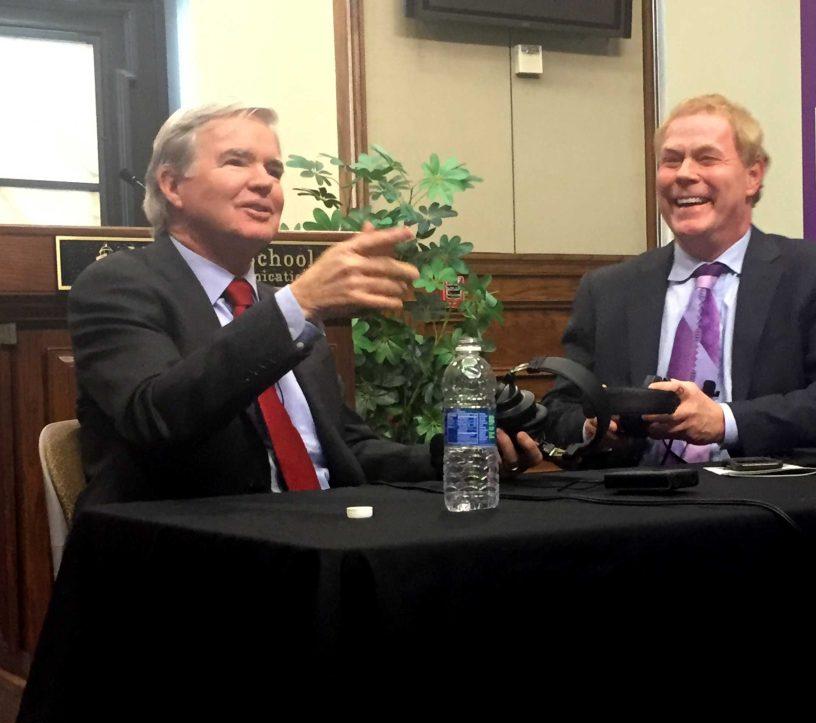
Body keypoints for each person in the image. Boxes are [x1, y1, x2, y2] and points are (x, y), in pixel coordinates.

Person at [69, 103, 539, 510]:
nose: (264, 183)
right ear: (172, 185)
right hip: (189, 561)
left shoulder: (281, 310)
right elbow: (156, 416)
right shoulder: (120, 285)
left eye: (274, 171)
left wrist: (451, 456)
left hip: (320, 539)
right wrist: (298, 305)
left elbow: (345, 449)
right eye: (237, 162)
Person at [542, 94, 816, 464]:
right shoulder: (608, 289)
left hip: (767, 502)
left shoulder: (815, 273)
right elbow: (558, 410)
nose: (684, 174)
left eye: (706, 158)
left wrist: (724, 421)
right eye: (671, 160)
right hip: (632, 506)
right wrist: (594, 428)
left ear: (753, 175)